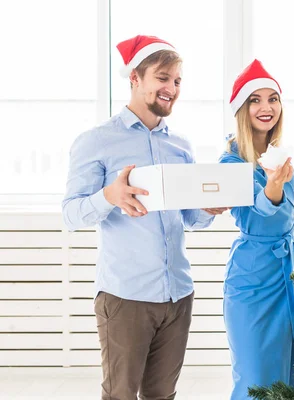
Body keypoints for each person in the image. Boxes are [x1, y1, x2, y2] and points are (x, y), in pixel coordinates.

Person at [62, 34, 226, 399]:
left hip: (178, 293)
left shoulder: (180, 146)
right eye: (163, 77)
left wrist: (208, 209)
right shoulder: (97, 141)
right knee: (120, 394)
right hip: (126, 297)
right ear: (135, 78)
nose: (172, 88)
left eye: (178, 81)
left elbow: (189, 218)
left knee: (162, 395)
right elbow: (71, 214)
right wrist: (110, 196)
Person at [219, 59, 294, 399]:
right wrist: (273, 186)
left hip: (290, 276)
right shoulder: (230, 163)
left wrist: (277, 180)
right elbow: (256, 217)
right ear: (241, 109)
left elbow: (286, 218)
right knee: (258, 377)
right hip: (253, 277)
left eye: (272, 99)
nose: (266, 107)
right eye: (255, 100)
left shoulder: (279, 155)